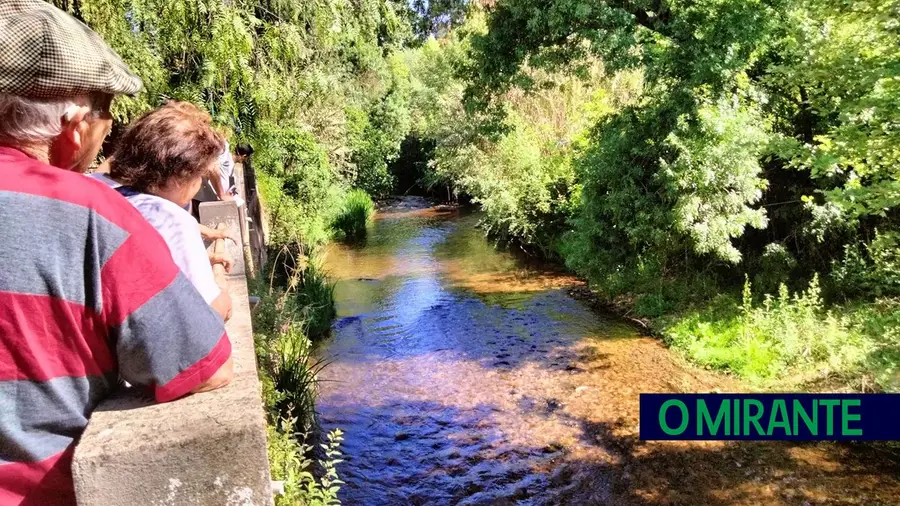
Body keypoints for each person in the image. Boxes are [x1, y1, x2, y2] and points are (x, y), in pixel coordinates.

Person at [0, 2, 232, 504]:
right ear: (76, 124)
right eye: (107, 110)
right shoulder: (89, 211)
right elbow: (205, 368)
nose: (111, 127)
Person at [92, 101, 233, 321]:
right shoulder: (170, 218)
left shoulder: (89, 188)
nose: (198, 185)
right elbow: (211, 313)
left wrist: (207, 255)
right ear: (181, 176)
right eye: (200, 177)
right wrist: (221, 289)